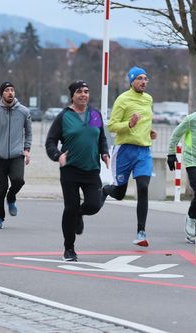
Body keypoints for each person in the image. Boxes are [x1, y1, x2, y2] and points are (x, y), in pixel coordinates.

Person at [45, 81, 110, 261]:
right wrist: (58, 155)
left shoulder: (95, 114)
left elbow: (101, 138)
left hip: (91, 170)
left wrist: (104, 153)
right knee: (70, 208)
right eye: (80, 92)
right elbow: (50, 142)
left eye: (86, 92)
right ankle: (69, 249)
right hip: (70, 170)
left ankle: (80, 214)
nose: (84, 95)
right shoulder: (64, 117)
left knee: (93, 206)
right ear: (72, 96)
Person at [103, 66, 157, 247]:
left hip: (143, 151)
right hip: (124, 151)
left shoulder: (148, 99)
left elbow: (145, 121)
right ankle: (105, 190)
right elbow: (112, 126)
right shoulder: (123, 99)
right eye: (139, 78)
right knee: (119, 194)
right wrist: (129, 124)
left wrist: (149, 131)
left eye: (145, 78)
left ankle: (141, 232)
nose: (143, 82)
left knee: (143, 186)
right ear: (132, 81)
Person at [0, 81, 32, 229]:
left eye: (12, 90)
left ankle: (11, 197)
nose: (10, 92)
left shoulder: (24, 112)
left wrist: (27, 149)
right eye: (7, 90)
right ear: (2, 94)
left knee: (18, 180)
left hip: (17, 155)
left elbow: (29, 133)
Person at [167, 92, 196, 256]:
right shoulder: (192, 119)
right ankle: (191, 216)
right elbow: (176, 134)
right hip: (193, 162)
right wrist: (170, 154)